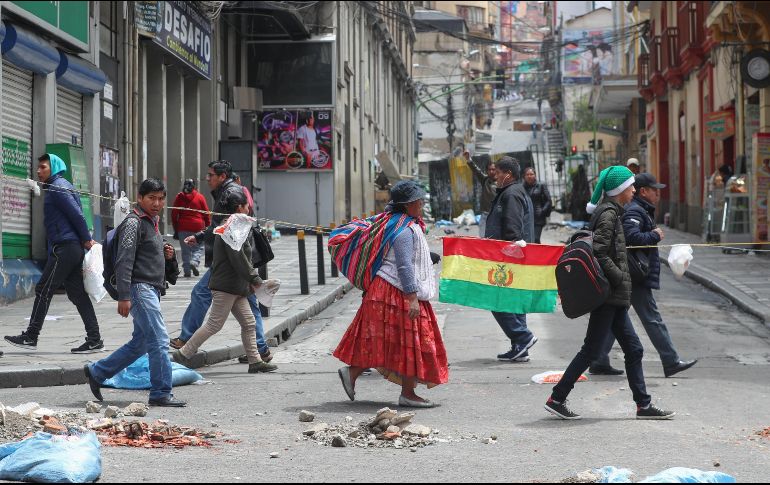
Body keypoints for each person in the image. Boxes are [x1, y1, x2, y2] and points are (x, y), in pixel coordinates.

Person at [545, 166, 675, 420]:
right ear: (619, 190)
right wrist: (617, 278)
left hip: (612, 296)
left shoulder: (613, 212)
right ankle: (557, 398)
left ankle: (643, 406)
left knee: (634, 349)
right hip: (608, 295)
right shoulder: (609, 214)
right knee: (591, 350)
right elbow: (601, 252)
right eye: (631, 186)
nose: (634, 190)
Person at [334, 181, 449, 408]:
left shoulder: (397, 223)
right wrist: (412, 297)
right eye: (418, 200)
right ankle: (407, 393)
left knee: (393, 341)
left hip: (386, 291)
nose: (421, 203)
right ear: (408, 204)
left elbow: (401, 256)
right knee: (411, 340)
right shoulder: (403, 229)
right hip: (395, 291)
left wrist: (429, 256)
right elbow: (404, 266)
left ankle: (353, 373)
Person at [84, 178, 186, 407]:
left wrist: (167, 256)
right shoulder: (134, 222)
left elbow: (146, 256)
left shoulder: (152, 222)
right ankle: (161, 392)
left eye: (160, 198)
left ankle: (97, 372)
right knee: (159, 340)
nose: (157, 203)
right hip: (139, 289)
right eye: (152, 198)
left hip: (150, 288)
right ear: (139, 198)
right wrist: (124, 295)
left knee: (141, 342)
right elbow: (124, 260)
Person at [589, 173, 698, 377]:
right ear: (643, 191)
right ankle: (671, 360)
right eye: (654, 190)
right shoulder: (635, 211)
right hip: (635, 274)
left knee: (616, 316)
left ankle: (599, 359)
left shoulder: (639, 209)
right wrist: (654, 235)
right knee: (651, 318)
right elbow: (630, 237)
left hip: (630, 272)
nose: (658, 194)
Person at [173, 161, 274, 365]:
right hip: (229, 274)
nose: (207, 178)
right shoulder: (231, 217)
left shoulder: (230, 196)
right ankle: (184, 351)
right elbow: (234, 252)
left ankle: (256, 359)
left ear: (222, 176)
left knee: (245, 319)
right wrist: (254, 279)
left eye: (210, 175)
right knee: (218, 321)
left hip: (230, 272)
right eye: (247, 207)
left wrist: (253, 279)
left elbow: (237, 255)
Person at [4, 154, 102, 354]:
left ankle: (31, 336)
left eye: (42, 167)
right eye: (38, 168)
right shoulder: (57, 186)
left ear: (54, 167)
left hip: (65, 248)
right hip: (69, 248)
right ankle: (94, 339)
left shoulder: (58, 187)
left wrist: (85, 238)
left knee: (43, 289)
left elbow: (76, 214)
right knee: (77, 295)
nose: (38, 171)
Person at [484, 157, 537, 362]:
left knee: (495, 298)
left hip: (509, 257)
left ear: (508, 174)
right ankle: (520, 346)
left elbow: (513, 229)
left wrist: (507, 254)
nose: (494, 176)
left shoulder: (512, 194)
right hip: (514, 256)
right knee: (515, 303)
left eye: (497, 172)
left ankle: (523, 337)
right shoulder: (512, 192)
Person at [171, 179, 210, 278]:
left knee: (185, 250)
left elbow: (174, 214)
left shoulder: (179, 197)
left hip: (182, 227)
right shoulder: (200, 197)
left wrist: (176, 228)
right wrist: (208, 227)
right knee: (198, 247)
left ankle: (187, 271)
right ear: (194, 186)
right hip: (197, 226)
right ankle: (194, 261)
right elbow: (206, 213)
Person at [465, 151, 496, 237]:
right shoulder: (485, 180)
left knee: (495, 238)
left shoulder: (501, 183)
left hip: (496, 214)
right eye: (489, 169)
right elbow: (476, 170)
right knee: (483, 237)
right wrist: (469, 159)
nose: (491, 171)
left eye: (493, 169)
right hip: (485, 214)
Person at [523, 167, 553, 244]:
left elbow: (548, 200)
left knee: (535, 238)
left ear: (535, 175)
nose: (529, 176)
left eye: (531, 174)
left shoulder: (541, 185)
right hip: (526, 217)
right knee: (527, 239)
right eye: (527, 174)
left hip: (538, 217)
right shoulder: (522, 187)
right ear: (524, 176)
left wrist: (542, 211)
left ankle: (538, 254)